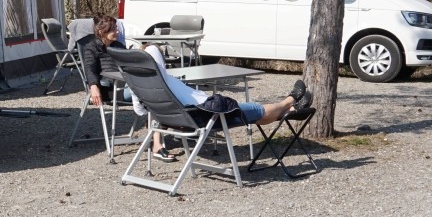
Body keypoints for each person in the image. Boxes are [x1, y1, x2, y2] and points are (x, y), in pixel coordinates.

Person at [131, 45, 311, 161]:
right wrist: (152, 49)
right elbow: (153, 50)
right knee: (256, 109)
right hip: (207, 115)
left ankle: (291, 110)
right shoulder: (164, 80)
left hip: (184, 118)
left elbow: (139, 110)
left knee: (254, 115)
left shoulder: (143, 87)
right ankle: (291, 100)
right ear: (158, 62)